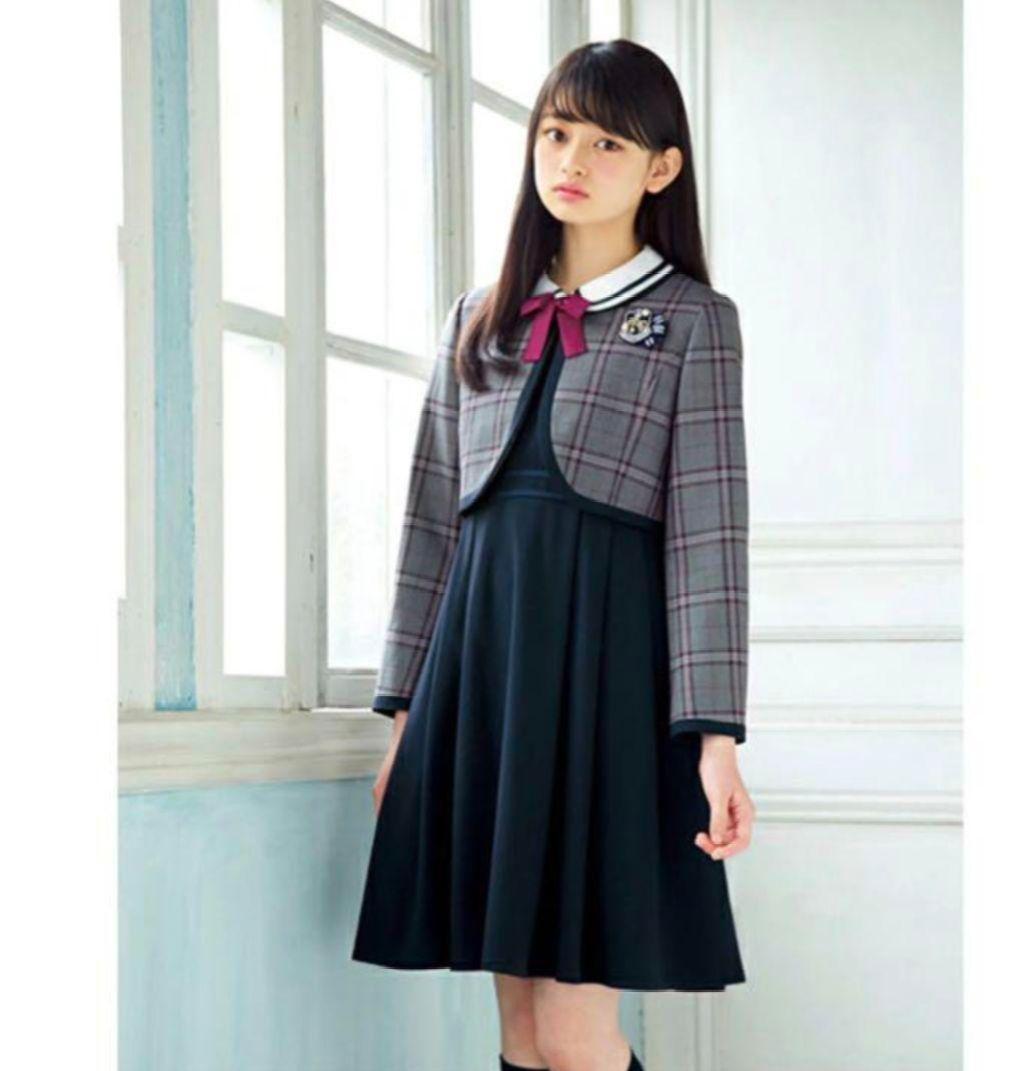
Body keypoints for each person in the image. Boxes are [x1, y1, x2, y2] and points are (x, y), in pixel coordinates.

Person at [351, 38, 756, 1071]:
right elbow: (431, 525)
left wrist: (715, 741)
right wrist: (403, 720)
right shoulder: (476, 319)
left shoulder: (694, 321)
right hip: (484, 683)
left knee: (576, 1032)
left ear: (661, 167)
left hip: (606, 689)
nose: (572, 159)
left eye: (607, 142)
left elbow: (709, 537)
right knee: (524, 1031)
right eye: (557, 132)